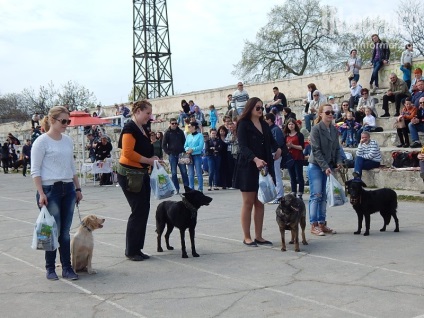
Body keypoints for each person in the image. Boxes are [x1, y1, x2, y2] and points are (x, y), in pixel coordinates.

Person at [30, 106, 82, 280]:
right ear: (52, 120)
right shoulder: (41, 142)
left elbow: (71, 166)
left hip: (67, 188)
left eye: (68, 121)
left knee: (65, 231)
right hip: (49, 189)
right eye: (63, 121)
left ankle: (67, 267)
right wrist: (41, 193)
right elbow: (35, 170)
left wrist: (77, 188)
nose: (66, 124)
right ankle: (50, 268)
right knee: (51, 229)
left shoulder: (67, 140)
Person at [233, 97, 282, 246]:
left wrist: (278, 148)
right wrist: (255, 159)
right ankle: (246, 236)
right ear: (250, 108)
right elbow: (243, 146)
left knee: (260, 202)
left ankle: (259, 236)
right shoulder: (243, 124)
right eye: (258, 108)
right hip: (248, 166)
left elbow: (271, 141)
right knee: (248, 202)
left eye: (262, 108)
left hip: (264, 166)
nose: (261, 110)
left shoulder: (263, 124)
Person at [117, 100, 160, 261]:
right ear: (138, 112)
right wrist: (149, 161)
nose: (150, 116)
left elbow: (143, 149)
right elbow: (128, 153)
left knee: (143, 209)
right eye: (147, 113)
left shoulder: (143, 128)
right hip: (130, 174)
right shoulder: (130, 128)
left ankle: (137, 248)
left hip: (140, 173)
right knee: (138, 210)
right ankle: (131, 250)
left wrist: (152, 158)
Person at [308, 104, 342, 236]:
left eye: (332, 112)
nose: (330, 114)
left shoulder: (334, 130)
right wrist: (325, 167)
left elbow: (337, 149)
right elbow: (316, 150)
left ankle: (322, 223)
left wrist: (338, 162)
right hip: (317, 165)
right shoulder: (316, 129)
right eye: (327, 112)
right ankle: (313, 224)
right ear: (320, 114)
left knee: (324, 196)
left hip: (328, 166)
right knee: (316, 195)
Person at [162, 118, 189, 194]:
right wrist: (168, 152)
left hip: (181, 154)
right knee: (174, 173)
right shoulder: (167, 133)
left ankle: (187, 188)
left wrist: (184, 152)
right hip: (172, 155)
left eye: (175, 123)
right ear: (170, 124)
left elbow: (184, 142)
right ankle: (176, 188)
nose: (174, 125)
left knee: (184, 172)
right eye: (172, 123)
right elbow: (163, 145)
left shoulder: (180, 132)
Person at [264, 113, 285, 204]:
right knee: (272, 175)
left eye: (265, 119)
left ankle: (279, 196)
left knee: (276, 175)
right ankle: (275, 195)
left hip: (275, 154)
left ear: (269, 120)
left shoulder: (276, 129)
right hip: (270, 154)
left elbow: (279, 143)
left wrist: (276, 152)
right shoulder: (269, 129)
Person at [284, 118, 305, 200]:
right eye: (289, 124)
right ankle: (293, 191)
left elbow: (302, 147)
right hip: (290, 158)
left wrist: (292, 146)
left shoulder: (299, 135)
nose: (291, 126)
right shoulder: (286, 135)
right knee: (292, 176)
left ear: (295, 125)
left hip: (298, 158)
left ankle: (300, 192)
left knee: (299, 176)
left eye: (292, 124)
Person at [184, 121, 204, 192]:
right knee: (190, 173)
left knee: (198, 172)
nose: (188, 128)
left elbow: (201, 146)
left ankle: (200, 188)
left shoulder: (200, 135)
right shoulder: (189, 136)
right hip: (189, 156)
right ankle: (191, 188)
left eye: (190, 126)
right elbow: (185, 145)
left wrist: (193, 149)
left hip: (197, 155)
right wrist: (187, 149)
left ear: (194, 127)